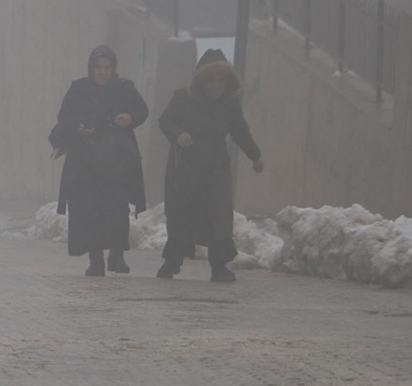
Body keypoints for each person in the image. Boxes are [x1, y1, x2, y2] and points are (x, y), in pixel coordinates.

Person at [156, 49, 264, 282]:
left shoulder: (230, 103)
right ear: (201, 81)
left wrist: (255, 156)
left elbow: (239, 131)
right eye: (211, 80)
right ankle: (172, 262)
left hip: (216, 167)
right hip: (185, 167)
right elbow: (165, 120)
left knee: (219, 217)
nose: (216, 86)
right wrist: (179, 134)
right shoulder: (183, 97)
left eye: (220, 80)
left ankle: (219, 266)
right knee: (181, 216)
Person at [48, 45, 149, 276]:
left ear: (113, 69)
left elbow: (142, 111)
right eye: (98, 67)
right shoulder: (79, 89)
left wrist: (130, 118)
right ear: (91, 69)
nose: (102, 72)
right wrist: (78, 127)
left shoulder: (124, 89)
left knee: (116, 209)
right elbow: (65, 116)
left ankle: (117, 255)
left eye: (106, 67)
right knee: (89, 210)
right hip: (86, 161)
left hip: (117, 161)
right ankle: (96, 260)